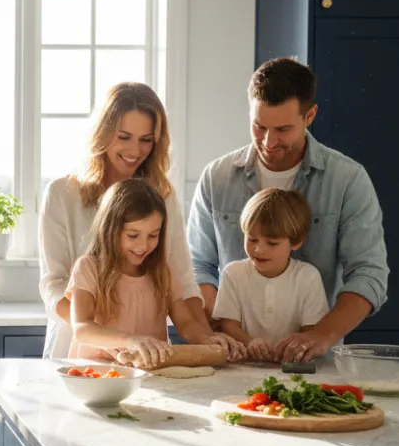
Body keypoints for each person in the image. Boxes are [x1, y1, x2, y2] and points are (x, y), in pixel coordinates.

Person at [187, 58, 389, 363]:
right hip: (234, 358)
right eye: (259, 126)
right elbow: (198, 266)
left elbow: (368, 274)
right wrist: (223, 327)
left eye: (283, 129)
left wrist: (320, 335)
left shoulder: (347, 179)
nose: (269, 142)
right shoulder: (216, 177)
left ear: (310, 116)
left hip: (314, 364)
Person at [39, 82, 237, 359]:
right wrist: (110, 337)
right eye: (124, 137)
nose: (136, 150)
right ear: (103, 133)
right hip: (82, 354)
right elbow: (53, 285)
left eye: (146, 139)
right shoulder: (62, 194)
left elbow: (182, 279)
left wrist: (207, 338)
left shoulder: (162, 196)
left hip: (144, 358)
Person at [67, 179, 232, 368]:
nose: (143, 245)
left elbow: (185, 323)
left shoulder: (162, 272)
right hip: (98, 373)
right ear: (109, 229)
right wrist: (131, 340)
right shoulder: (89, 268)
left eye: (153, 235)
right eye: (133, 235)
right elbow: (82, 328)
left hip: (149, 374)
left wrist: (208, 338)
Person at [213, 188, 330, 362]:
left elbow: (310, 332)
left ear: (296, 242)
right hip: (243, 367)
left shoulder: (308, 277)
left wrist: (292, 351)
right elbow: (228, 325)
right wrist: (250, 342)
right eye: (252, 239)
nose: (259, 249)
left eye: (272, 243)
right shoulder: (233, 273)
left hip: (292, 369)